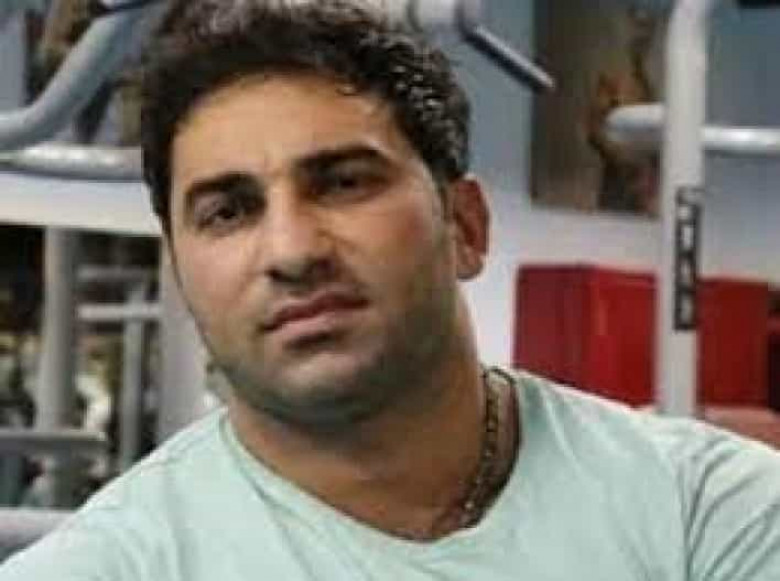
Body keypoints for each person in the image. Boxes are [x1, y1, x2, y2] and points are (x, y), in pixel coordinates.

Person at [3, 0, 780, 579]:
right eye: (228, 211)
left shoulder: (708, 511)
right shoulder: (105, 568)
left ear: (465, 225)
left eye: (343, 182)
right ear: (181, 271)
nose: (292, 250)